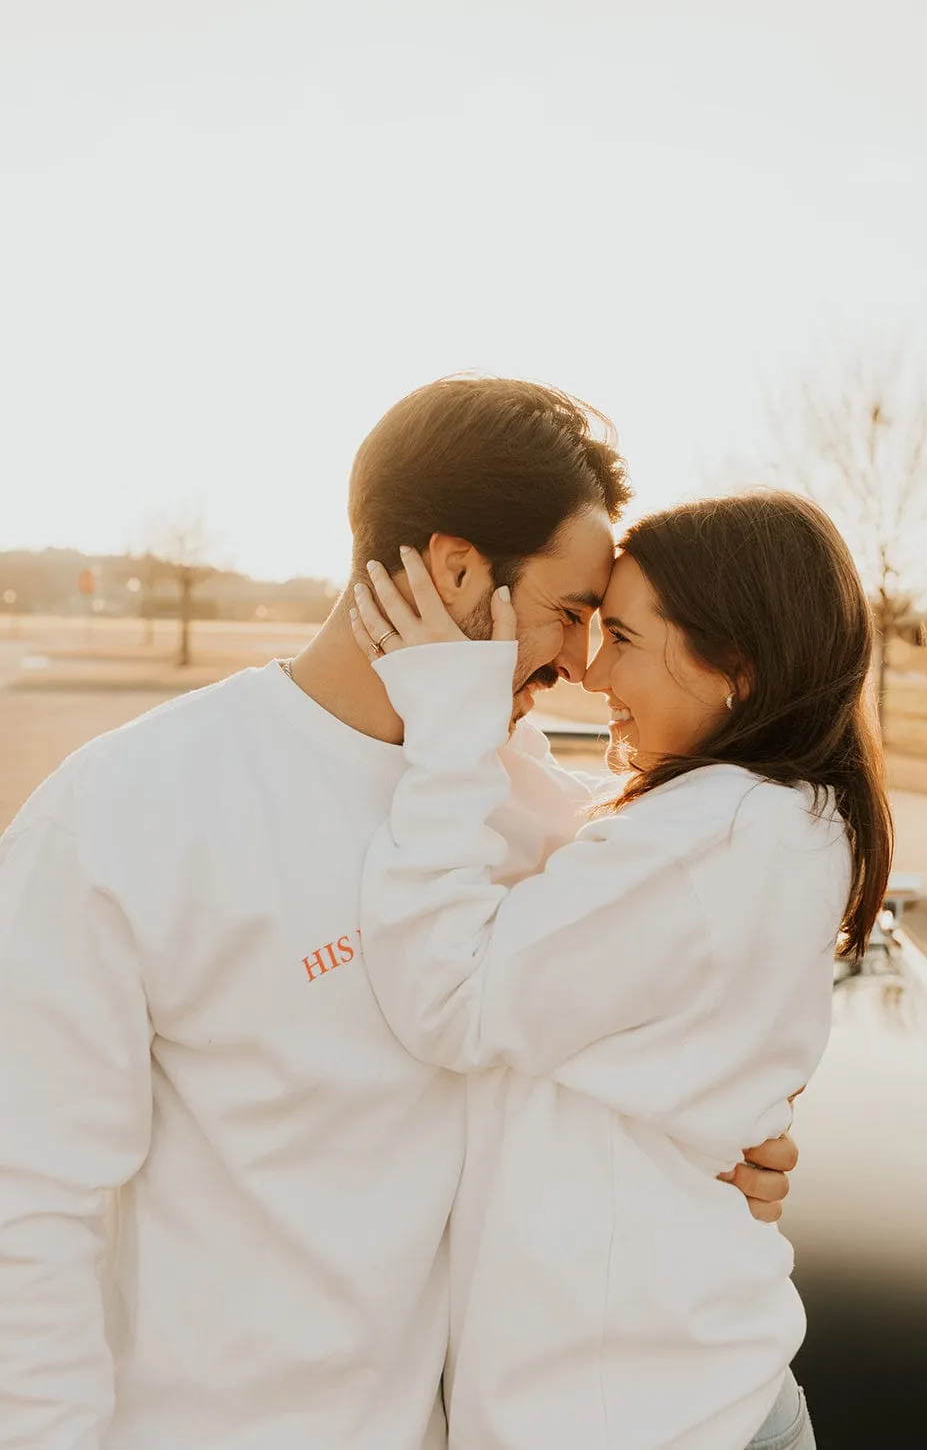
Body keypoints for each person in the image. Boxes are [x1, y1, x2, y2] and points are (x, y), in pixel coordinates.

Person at [0, 378, 799, 1450]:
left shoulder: (524, 800)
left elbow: (649, 1012)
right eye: (567, 615)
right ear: (457, 569)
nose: (578, 666)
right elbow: (27, 1205)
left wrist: (735, 1136)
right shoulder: (129, 811)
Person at [351, 491, 894, 1450]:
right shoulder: (775, 817)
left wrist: (448, 721)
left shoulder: (711, 838)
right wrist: (481, 694)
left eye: (626, 639)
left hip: (643, 1417)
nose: (592, 668)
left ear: (738, 668)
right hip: (680, 1392)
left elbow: (451, 999)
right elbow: (573, 841)